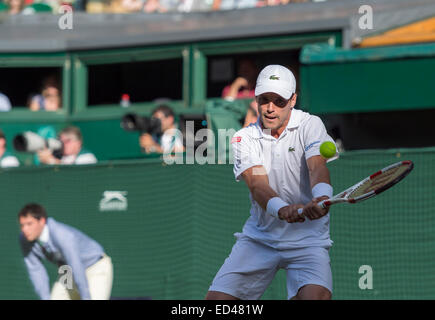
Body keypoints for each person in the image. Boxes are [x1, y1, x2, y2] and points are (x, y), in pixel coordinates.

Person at [206, 65, 338, 300]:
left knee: (315, 298)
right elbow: (257, 185)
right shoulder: (243, 138)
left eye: (278, 101)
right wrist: (284, 209)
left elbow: (317, 166)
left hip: (307, 240)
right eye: (264, 99)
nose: (269, 108)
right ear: (256, 99)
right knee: (217, 302)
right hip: (261, 239)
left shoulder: (310, 125)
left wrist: (322, 196)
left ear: (293, 100)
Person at [18, 203, 113, 300]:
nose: (25, 229)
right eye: (22, 225)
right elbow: (36, 271)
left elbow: (76, 265)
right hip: (67, 272)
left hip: (96, 267)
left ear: (42, 221)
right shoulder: (24, 239)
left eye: (29, 224)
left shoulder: (62, 234)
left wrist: (86, 297)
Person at [221, 59, 259, 128]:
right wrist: (236, 84)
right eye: (242, 68)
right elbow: (225, 106)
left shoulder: (260, 89)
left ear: (255, 70)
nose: (245, 71)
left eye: (248, 68)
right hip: (233, 127)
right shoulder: (229, 88)